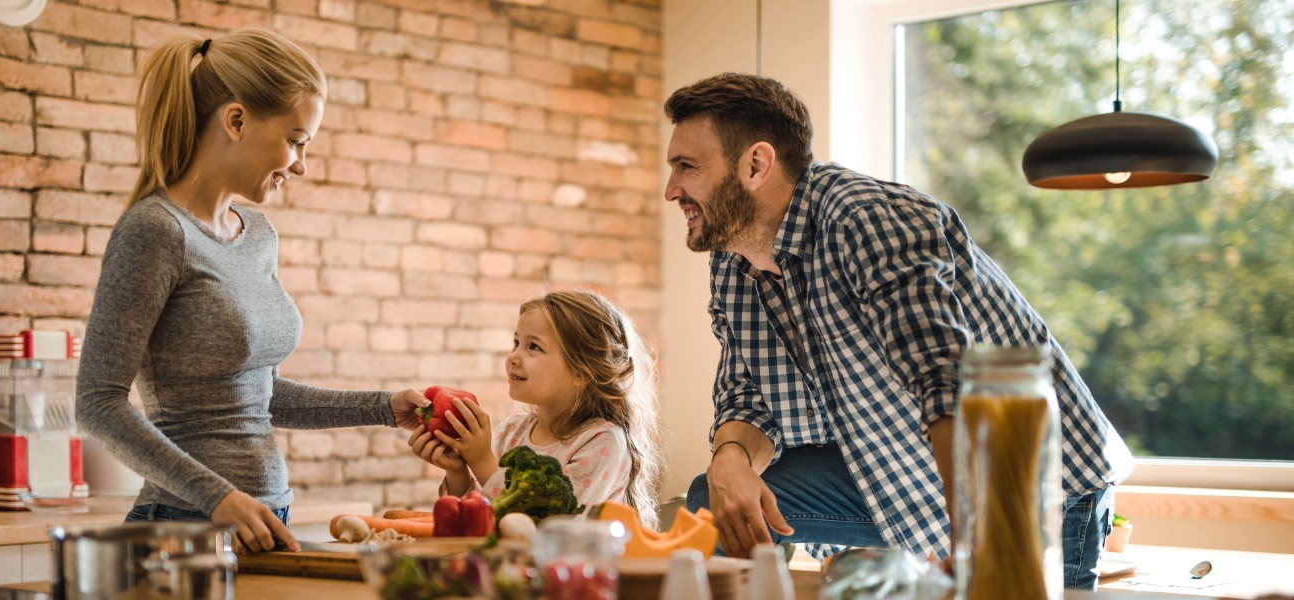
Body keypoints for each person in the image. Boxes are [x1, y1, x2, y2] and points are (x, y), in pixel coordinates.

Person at [663, 72, 1135, 589]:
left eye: (686, 166)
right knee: (715, 497)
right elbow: (746, 398)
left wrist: (975, 548)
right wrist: (731, 460)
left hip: (1028, 484)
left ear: (756, 164)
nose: (672, 190)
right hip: (902, 473)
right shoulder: (734, 262)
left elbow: (950, 385)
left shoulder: (865, 219)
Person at [76, 28, 427, 554]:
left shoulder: (257, 233)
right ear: (236, 120)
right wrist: (219, 498)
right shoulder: (154, 231)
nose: (302, 164)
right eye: (296, 140)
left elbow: (259, 397)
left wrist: (383, 406)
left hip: (264, 519)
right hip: (184, 527)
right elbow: (97, 403)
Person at [407, 290, 666, 527]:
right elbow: (486, 520)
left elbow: (549, 529)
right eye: (516, 342)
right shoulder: (513, 431)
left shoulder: (603, 442)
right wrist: (458, 470)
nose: (513, 357)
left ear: (581, 371)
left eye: (534, 346)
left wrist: (482, 461)